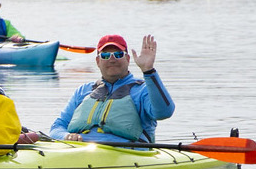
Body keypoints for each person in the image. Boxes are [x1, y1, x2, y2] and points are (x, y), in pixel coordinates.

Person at [18, 34, 175, 145]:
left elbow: (164, 112)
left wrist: (148, 71)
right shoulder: (84, 91)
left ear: (127, 59)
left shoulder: (142, 90)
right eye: (106, 55)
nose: (112, 58)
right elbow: (57, 127)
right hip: (78, 150)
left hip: (126, 153)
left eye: (118, 54)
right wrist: (66, 136)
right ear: (98, 61)